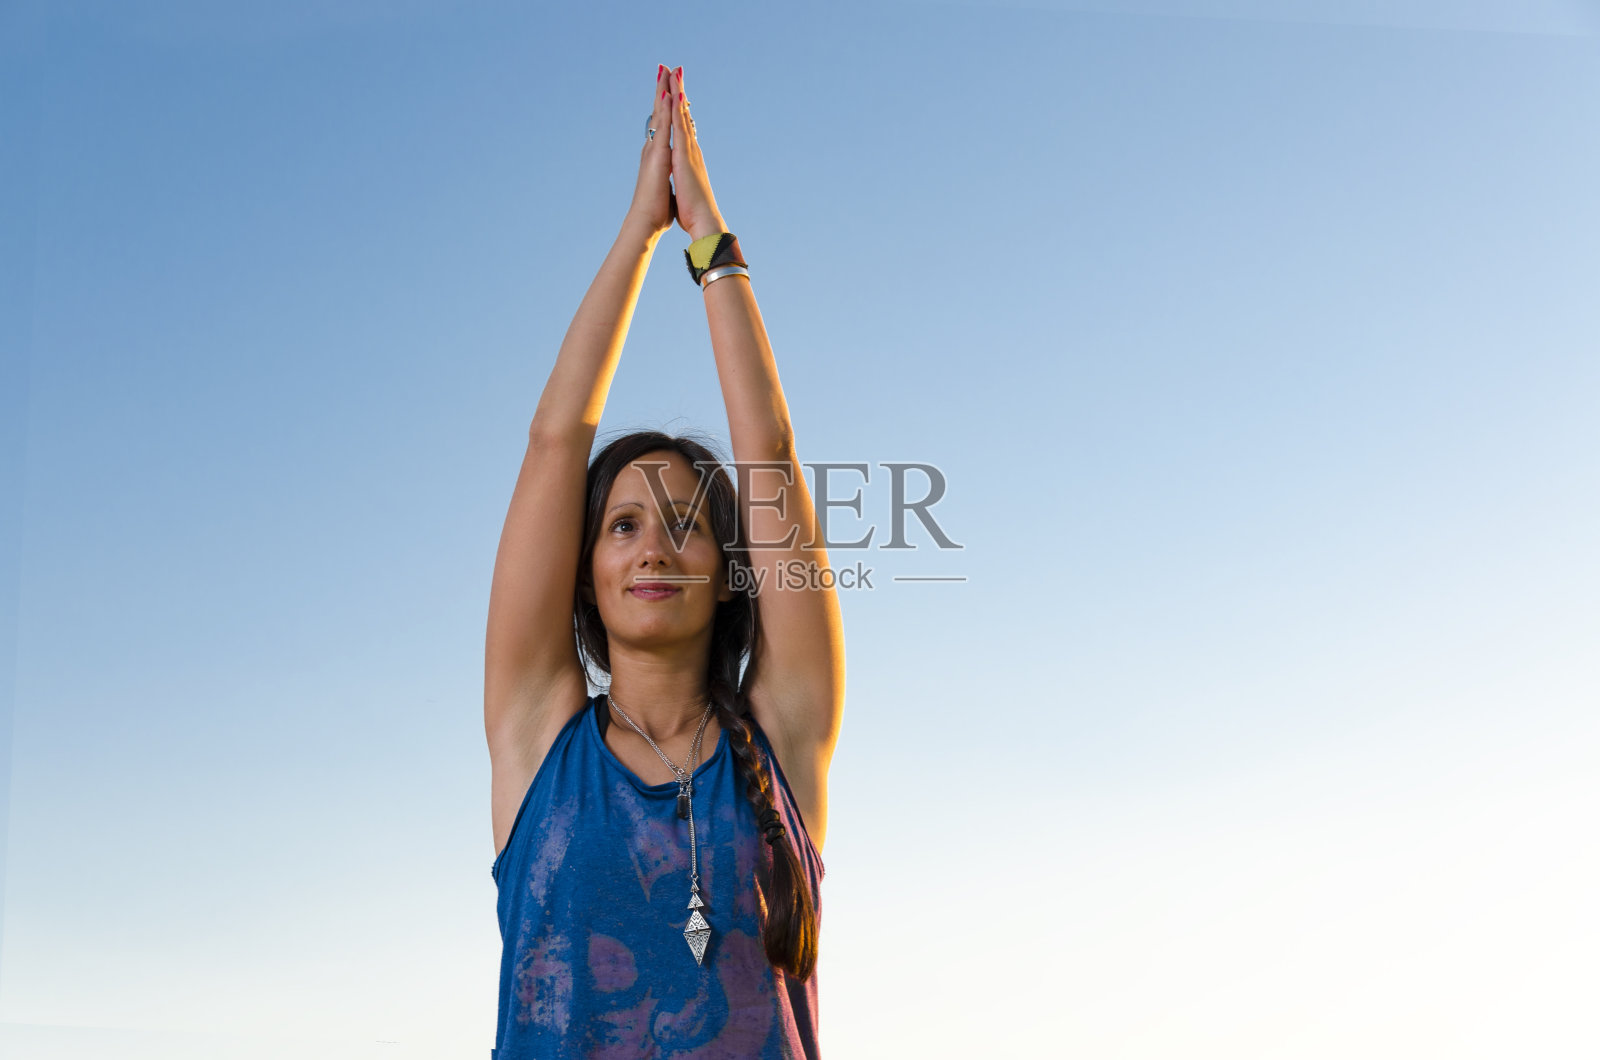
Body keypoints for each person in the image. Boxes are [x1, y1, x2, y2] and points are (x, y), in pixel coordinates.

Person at [483, 64, 845, 1059]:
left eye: (686, 523)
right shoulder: (539, 741)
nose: (654, 545)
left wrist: (707, 239)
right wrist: (639, 230)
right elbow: (556, 441)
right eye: (623, 525)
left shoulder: (784, 735)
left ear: (732, 569)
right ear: (586, 573)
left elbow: (766, 450)